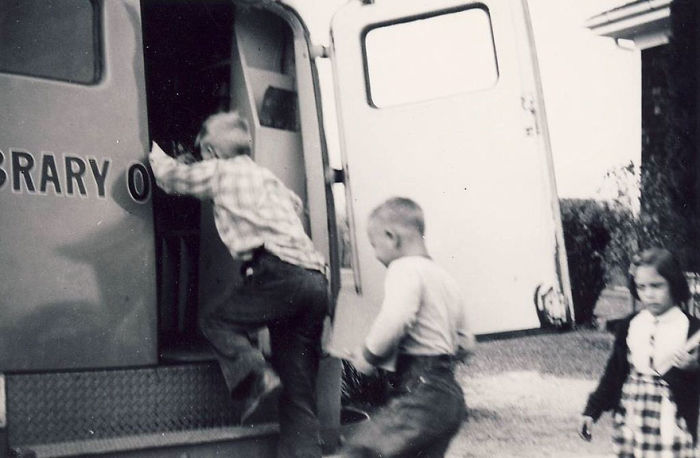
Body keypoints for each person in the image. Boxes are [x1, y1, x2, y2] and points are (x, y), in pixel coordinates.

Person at [149, 111, 329, 458]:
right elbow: (296, 205)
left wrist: (157, 153)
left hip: (279, 273)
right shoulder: (267, 177)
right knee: (299, 391)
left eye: (203, 154)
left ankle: (257, 376)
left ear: (213, 152)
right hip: (314, 280)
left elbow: (171, 178)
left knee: (216, 320)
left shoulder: (219, 170)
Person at [338, 197, 473, 457]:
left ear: (391, 237)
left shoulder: (404, 269)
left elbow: (396, 319)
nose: (376, 254)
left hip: (419, 392)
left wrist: (366, 358)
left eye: (374, 245)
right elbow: (466, 344)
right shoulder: (445, 278)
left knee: (360, 450)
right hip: (449, 396)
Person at [580, 248, 700, 457]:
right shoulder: (631, 324)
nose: (649, 294)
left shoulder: (693, 329)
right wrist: (592, 411)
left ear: (674, 284)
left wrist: (694, 367)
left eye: (656, 286)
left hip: (672, 421)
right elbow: (613, 373)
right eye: (641, 287)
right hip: (632, 418)